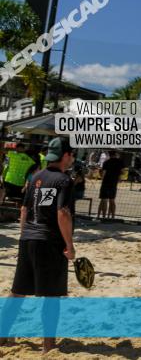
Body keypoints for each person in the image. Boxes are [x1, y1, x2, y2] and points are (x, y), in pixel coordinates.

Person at [0, 137, 77, 353]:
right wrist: (69, 245)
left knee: (17, 293)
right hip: (49, 243)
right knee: (52, 297)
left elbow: (25, 211)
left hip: (28, 240)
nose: (72, 159)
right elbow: (62, 213)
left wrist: (25, 238)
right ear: (66, 155)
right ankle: (48, 347)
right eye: (71, 155)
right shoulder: (64, 180)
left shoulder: (37, 177)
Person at [97, 150, 124, 220]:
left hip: (105, 182)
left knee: (103, 200)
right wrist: (118, 177)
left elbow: (103, 174)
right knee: (112, 200)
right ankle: (112, 216)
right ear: (116, 154)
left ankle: (102, 216)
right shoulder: (120, 162)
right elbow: (122, 172)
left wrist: (100, 174)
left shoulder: (106, 162)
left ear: (109, 154)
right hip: (113, 183)